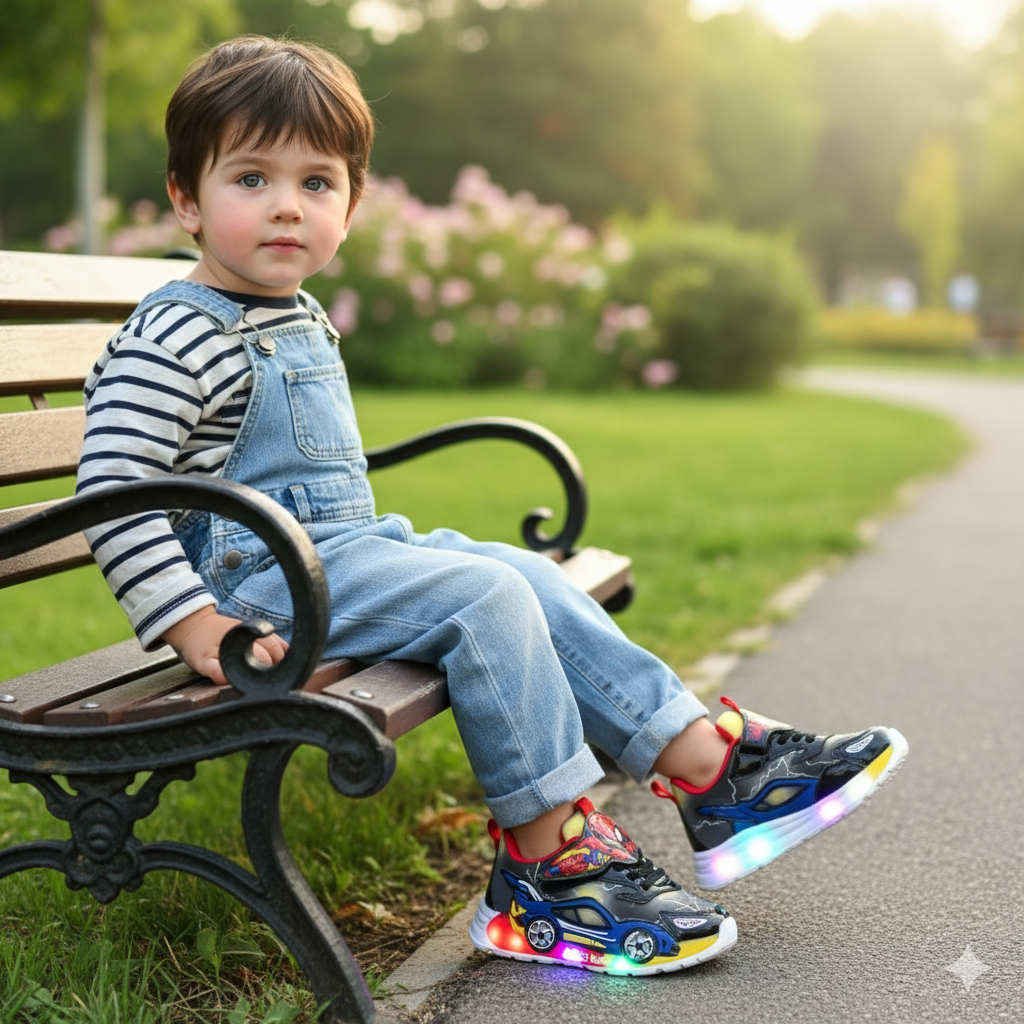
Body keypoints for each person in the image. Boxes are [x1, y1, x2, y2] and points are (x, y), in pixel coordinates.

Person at [77, 35, 908, 975]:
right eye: (252, 178)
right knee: (485, 601)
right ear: (187, 197)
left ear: (351, 203)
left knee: (516, 571)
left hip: (334, 555)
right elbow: (114, 489)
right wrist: (192, 624)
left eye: (317, 183)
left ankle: (713, 768)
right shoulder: (176, 331)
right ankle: (546, 867)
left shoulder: (294, 314)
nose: (286, 207)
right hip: (259, 587)